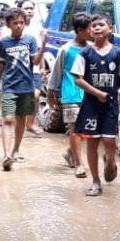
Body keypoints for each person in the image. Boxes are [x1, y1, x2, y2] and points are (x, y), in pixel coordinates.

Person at [71, 13, 120, 196]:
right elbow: (78, 80)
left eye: (101, 25)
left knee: (108, 139)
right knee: (91, 141)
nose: (97, 28)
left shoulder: (118, 53)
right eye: (94, 26)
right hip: (91, 103)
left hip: (111, 103)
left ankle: (111, 161)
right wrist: (97, 93)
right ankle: (96, 182)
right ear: (90, 30)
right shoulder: (85, 54)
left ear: (110, 28)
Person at [0, 7, 46, 171]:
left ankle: (15, 149)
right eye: (15, 23)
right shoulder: (3, 43)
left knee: (21, 120)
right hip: (9, 86)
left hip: (26, 87)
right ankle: (7, 154)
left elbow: (35, 63)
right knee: (7, 119)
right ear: (8, 24)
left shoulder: (30, 40)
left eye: (21, 22)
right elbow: (0, 66)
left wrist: (43, 46)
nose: (19, 25)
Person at [47, 12, 91, 179]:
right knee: (75, 129)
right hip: (70, 93)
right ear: (80, 30)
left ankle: (70, 152)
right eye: (89, 29)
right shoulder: (66, 49)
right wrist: (51, 92)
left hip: (88, 95)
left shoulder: (92, 48)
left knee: (86, 130)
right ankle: (79, 164)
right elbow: (56, 72)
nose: (93, 32)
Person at [16, 0, 45, 134]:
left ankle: (31, 123)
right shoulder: (15, 26)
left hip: (34, 67)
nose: (29, 11)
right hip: (18, 68)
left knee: (36, 95)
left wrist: (43, 67)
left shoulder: (37, 26)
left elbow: (40, 49)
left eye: (31, 8)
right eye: (26, 8)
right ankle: (18, 123)